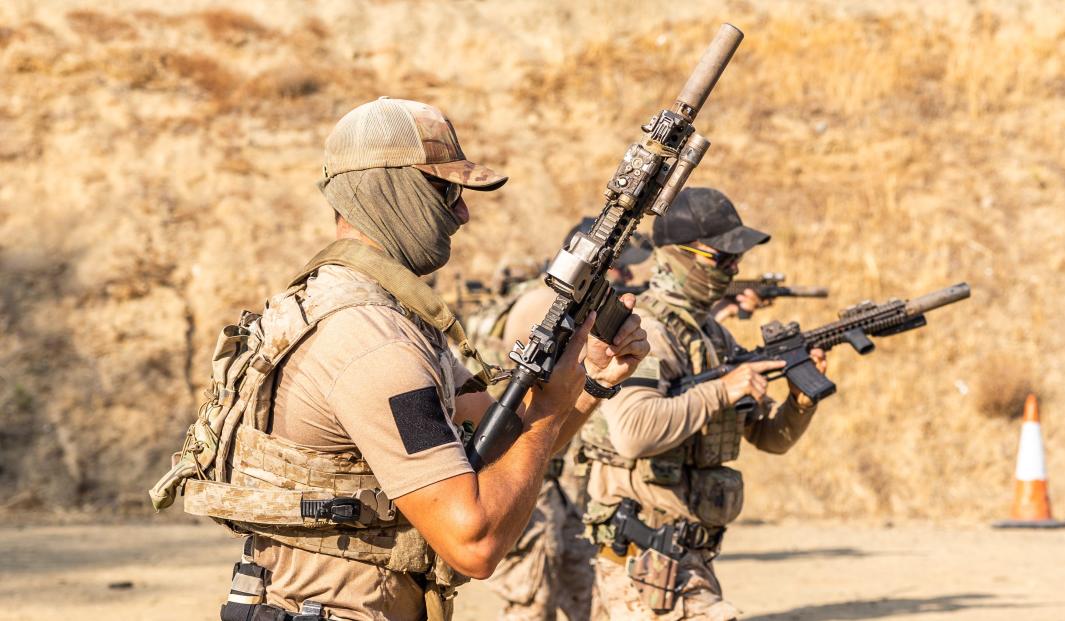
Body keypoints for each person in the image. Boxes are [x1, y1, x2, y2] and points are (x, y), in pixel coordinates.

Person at [176, 97, 649, 621]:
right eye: (446, 192)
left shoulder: (374, 313)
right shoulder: (374, 344)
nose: (462, 214)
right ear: (389, 189)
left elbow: (502, 445)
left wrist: (588, 386)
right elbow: (473, 543)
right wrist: (551, 410)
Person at [579, 187, 830, 621]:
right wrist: (720, 391)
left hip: (685, 562)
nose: (734, 270)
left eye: (737, 260)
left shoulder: (712, 336)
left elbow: (768, 437)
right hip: (645, 560)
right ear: (676, 256)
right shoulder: (645, 334)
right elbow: (633, 433)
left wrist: (800, 402)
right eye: (721, 258)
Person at [477, 219, 651, 621]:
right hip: (524, 473)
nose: (627, 277)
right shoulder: (543, 309)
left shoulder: (565, 310)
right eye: (620, 268)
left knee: (582, 596)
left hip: (551, 474)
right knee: (531, 603)